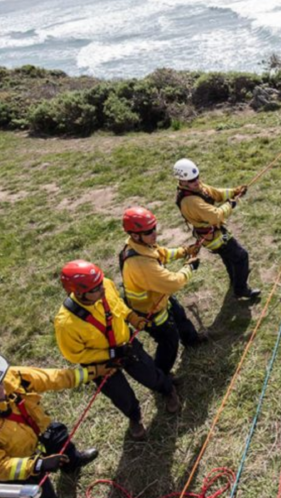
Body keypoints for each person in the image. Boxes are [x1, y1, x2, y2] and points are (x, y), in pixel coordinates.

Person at [0, 352, 103, 498]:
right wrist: (37, 465)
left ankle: (72, 464)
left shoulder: (10, 377)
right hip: (16, 469)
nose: (0, 388)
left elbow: (51, 378)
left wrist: (93, 372)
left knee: (60, 439)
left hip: (39, 431)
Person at [55, 259, 180, 439]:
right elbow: (74, 354)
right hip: (100, 363)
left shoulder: (105, 285)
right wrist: (109, 355)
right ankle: (134, 417)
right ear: (79, 293)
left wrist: (132, 317)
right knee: (120, 394)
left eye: (100, 283)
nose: (102, 289)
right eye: (95, 289)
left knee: (150, 374)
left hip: (126, 344)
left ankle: (168, 390)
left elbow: (118, 305)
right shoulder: (66, 323)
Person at [119, 206, 203, 382]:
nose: (154, 234)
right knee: (168, 342)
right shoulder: (140, 263)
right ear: (135, 235)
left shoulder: (142, 245)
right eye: (149, 231)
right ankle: (162, 375)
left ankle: (191, 340)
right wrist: (189, 267)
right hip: (152, 311)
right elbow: (173, 283)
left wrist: (184, 251)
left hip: (160, 297)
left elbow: (161, 253)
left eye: (154, 228)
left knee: (180, 316)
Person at [173, 158, 260, 300]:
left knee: (229, 257)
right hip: (213, 237)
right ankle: (241, 289)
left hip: (213, 232)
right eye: (191, 180)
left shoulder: (195, 187)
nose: (196, 182)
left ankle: (235, 279)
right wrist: (230, 205)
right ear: (181, 181)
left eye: (197, 177)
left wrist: (234, 191)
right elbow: (216, 216)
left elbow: (216, 193)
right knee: (241, 256)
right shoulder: (190, 201)